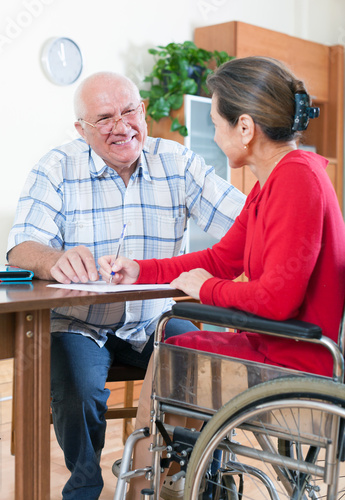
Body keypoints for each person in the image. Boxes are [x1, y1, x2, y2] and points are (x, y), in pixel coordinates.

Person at [98, 56, 345, 497]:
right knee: (175, 345)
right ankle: (177, 473)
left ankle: (152, 479)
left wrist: (206, 291)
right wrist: (140, 269)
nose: (214, 134)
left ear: (245, 128)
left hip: (295, 361)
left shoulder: (297, 181)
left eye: (216, 123)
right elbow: (221, 258)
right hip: (275, 347)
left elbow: (276, 300)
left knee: (170, 347)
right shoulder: (273, 183)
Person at [6, 71, 245, 499]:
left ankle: (184, 476)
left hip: (156, 318)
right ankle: (84, 485)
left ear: (144, 112)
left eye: (129, 111)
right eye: (104, 118)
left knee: (204, 364)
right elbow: (20, 248)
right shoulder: (56, 167)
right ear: (82, 129)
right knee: (77, 389)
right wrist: (54, 259)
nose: (121, 126)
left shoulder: (177, 162)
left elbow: (244, 223)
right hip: (80, 322)